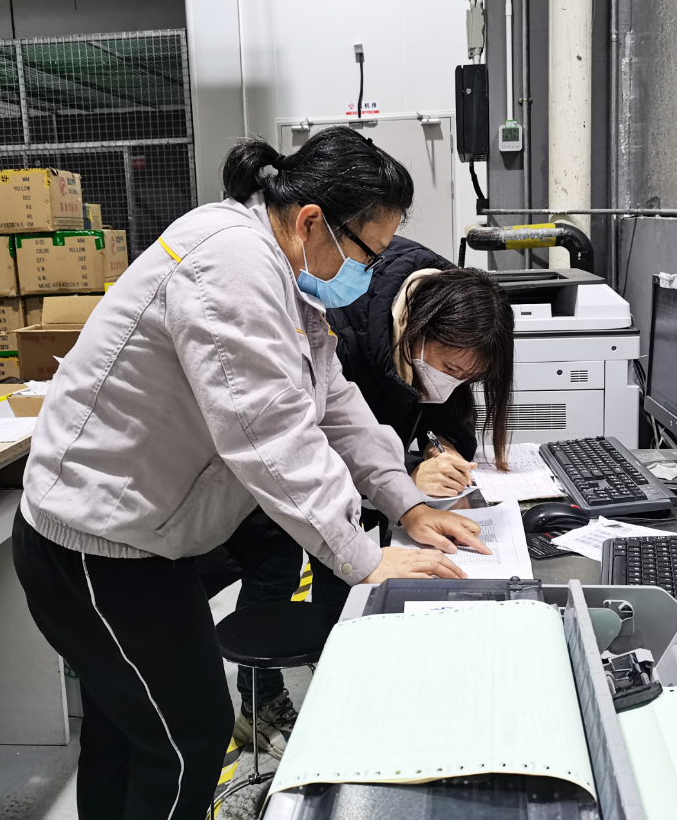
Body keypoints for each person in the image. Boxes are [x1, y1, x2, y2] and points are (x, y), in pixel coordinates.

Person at [11, 126, 491, 820]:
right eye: (369, 253)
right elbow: (270, 433)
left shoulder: (284, 275)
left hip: (137, 538)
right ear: (312, 221)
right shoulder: (230, 264)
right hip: (92, 543)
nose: (369, 272)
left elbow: (334, 404)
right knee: (189, 736)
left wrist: (405, 501)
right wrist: (363, 556)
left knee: (129, 728)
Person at [196, 237, 515, 758]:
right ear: (416, 333)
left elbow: (414, 421)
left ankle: (338, 693)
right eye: (451, 370)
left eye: (468, 378)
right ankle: (259, 706)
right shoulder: (340, 324)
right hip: (277, 480)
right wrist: (404, 481)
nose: (454, 383)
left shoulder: (452, 310)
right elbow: (309, 447)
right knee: (273, 576)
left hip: (353, 482)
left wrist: (430, 463)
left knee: (343, 589)